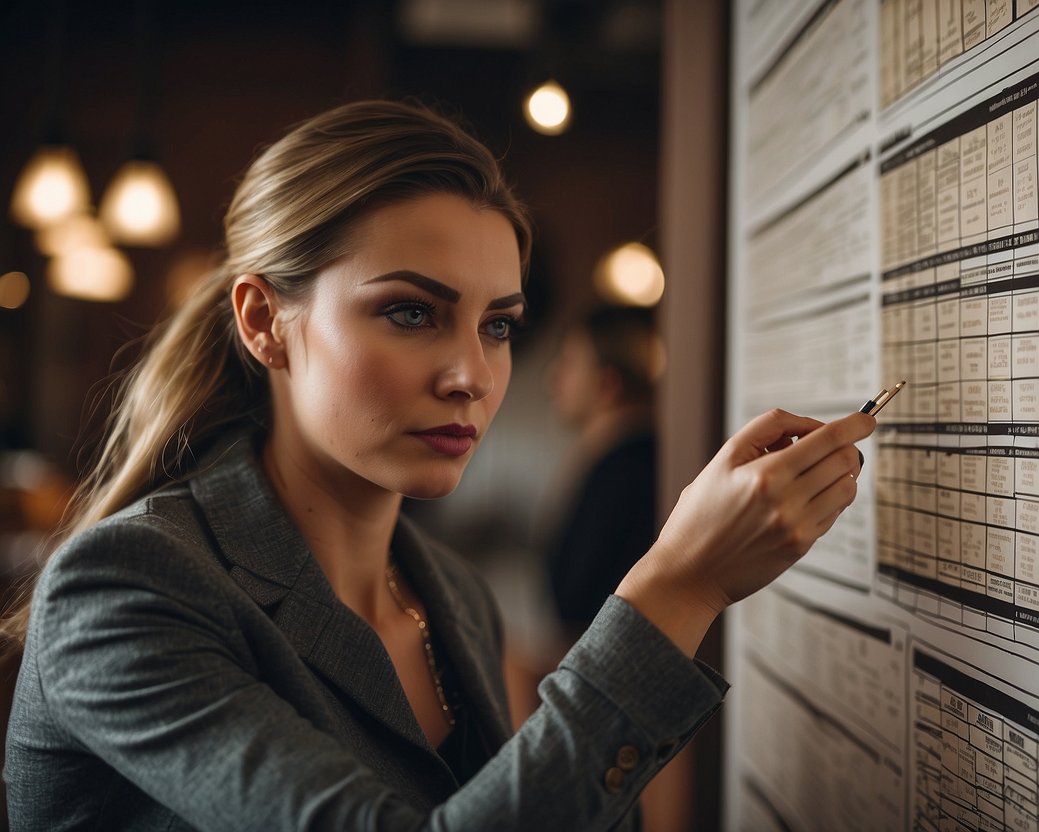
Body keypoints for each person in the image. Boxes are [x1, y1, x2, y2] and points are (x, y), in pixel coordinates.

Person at [0, 99, 874, 831]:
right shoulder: (125, 587)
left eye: (497, 324)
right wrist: (677, 589)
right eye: (412, 313)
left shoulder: (450, 596)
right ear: (265, 321)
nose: (471, 375)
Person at [543, 305, 660, 642]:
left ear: (608, 383)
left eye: (569, 363)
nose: (553, 378)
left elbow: (582, 603)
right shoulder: (616, 462)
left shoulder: (627, 473)